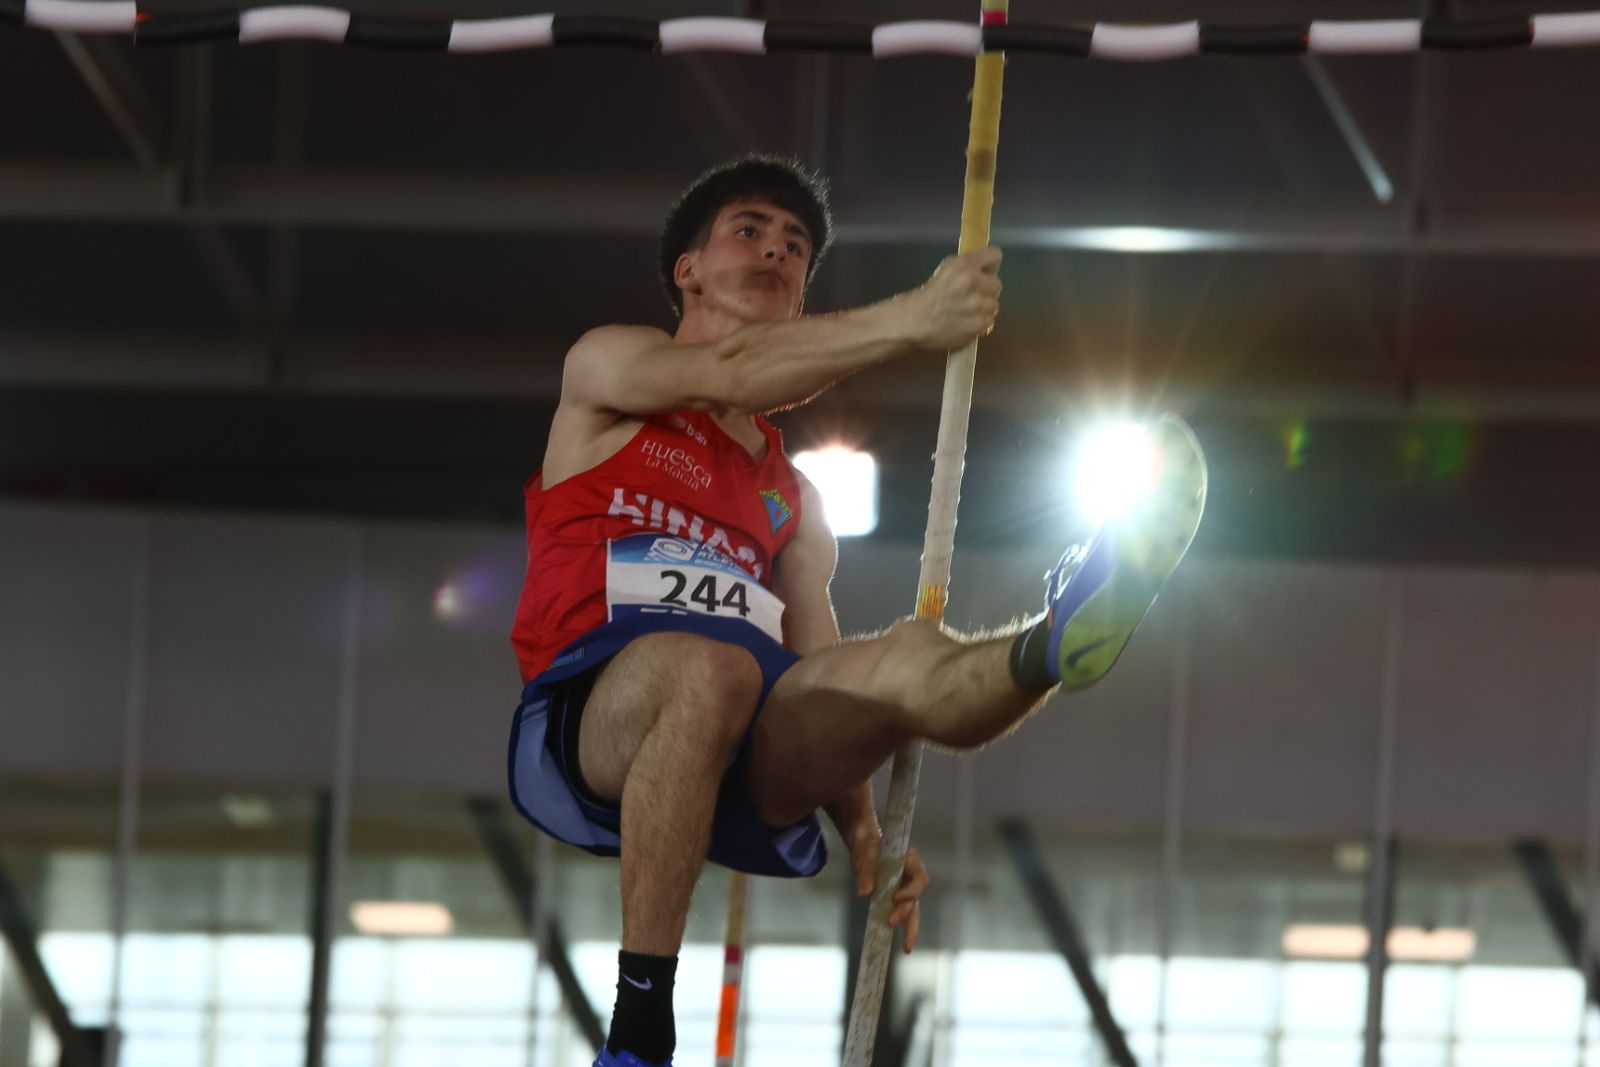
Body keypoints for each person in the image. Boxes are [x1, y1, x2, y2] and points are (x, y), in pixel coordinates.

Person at [506, 155, 1205, 1067]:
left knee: (901, 661)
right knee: (712, 669)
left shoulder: (794, 498)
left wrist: (869, 832)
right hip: (599, 706)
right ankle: (639, 1034)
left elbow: (813, 655)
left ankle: (1052, 640)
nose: (777, 250)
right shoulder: (607, 369)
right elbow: (730, 371)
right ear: (689, 268)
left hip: (749, 724)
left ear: (803, 297)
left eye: (796, 245)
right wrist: (918, 317)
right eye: (750, 230)